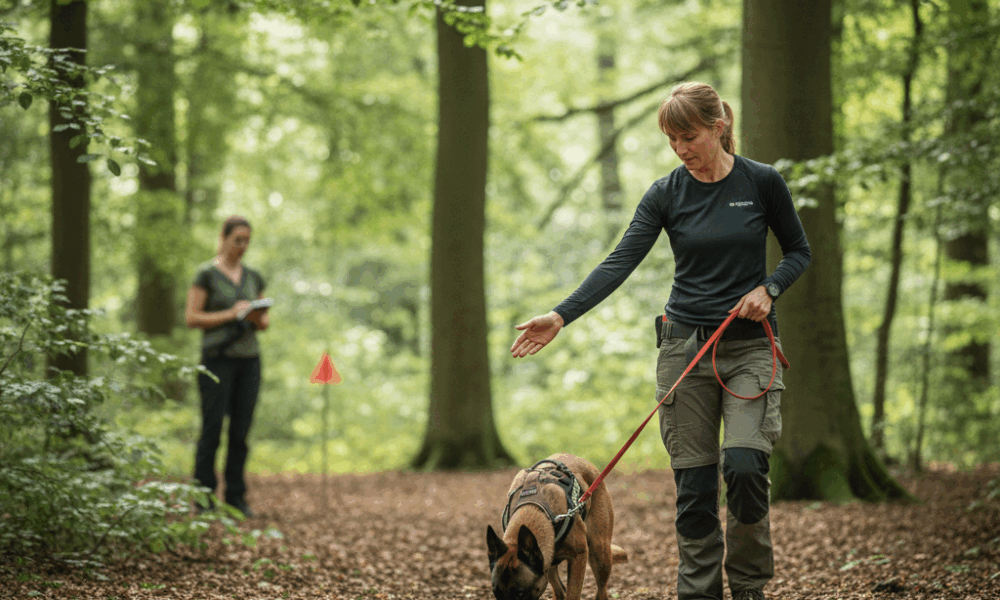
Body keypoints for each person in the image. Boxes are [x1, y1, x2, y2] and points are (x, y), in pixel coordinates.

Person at [510, 82, 811, 600]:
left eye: (688, 136)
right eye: (671, 140)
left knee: (744, 466)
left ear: (718, 126)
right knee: (694, 488)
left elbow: (798, 251)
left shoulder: (761, 182)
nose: (680, 148)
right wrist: (561, 315)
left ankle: (748, 587)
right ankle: (698, 593)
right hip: (684, 352)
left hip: (750, 349)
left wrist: (770, 288)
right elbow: (620, 261)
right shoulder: (666, 193)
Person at [185, 215, 269, 517]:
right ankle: (204, 498)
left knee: (240, 432)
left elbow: (265, 323)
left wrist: (254, 315)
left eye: (247, 241)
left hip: (249, 361)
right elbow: (192, 317)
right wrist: (231, 314)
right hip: (216, 360)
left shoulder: (254, 276)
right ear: (223, 238)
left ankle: (236, 497)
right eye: (237, 240)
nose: (242, 246)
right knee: (212, 430)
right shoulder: (206, 274)